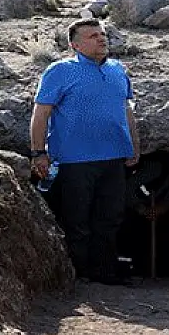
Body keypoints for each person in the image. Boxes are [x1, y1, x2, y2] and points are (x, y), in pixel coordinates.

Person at [30, 18, 140, 284]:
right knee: (77, 220)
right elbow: (41, 112)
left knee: (110, 217)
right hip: (73, 161)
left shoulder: (117, 70)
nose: (101, 39)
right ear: (75, 45)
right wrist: (38, 152)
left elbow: (127, 110)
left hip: (113, 158)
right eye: (92, 36)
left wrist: (134, 146)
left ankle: (105, 272)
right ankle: (78, 275)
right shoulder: (59, 71)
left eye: (102, 34)